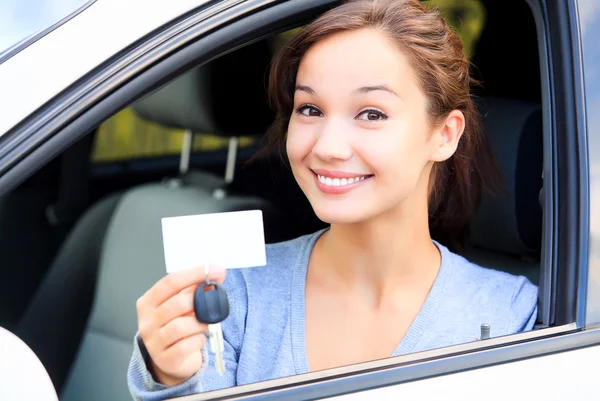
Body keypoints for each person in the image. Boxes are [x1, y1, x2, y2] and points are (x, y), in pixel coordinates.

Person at [128, 0, 538, 399]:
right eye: (309, 109)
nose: (328, 146)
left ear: (445, 135)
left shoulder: (512, 313)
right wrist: (172, 378)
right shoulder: (231, 294)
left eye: (371, 113)